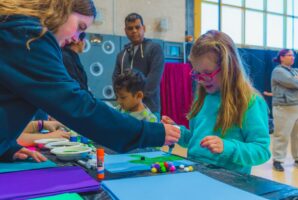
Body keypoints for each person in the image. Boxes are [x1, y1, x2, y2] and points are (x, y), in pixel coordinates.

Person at [0, 0, 180, 162]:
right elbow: (78, 106)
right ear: (62, 9)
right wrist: (147, 132)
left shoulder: (17, 31)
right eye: (80, 27)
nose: (77, 38)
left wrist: (6, 147)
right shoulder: (30, 37)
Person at [162, 30, 270, 174]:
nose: (201, 80)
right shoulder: (202, 98)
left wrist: (227, 147)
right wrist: (177, 132)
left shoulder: (250, 102)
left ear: (229, 68)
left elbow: (261, 151)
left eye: (207, 73)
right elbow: (195, 141)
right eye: (197, 73)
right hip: (197, 175)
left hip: (230, 183)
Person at [112, 13, 164, 118]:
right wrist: (123, 99)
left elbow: (153, 80)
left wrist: (133, 100)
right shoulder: (121, 55)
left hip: (149, 110)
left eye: (137, 27)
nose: (134, 31)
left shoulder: (155, 49)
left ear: (143, 28)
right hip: (125, 110)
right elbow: (115, 80)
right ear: (125, 31)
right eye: (130, 28)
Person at [271, 49, 298, 171]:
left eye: (293, 56)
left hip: (297, 106)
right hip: (283, 107)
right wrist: (296, 79)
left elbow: (295, 81)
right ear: (282, 57)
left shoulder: (295, 70)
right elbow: (293, 83)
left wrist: (296, 79)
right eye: (289, 55)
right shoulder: (278, 71)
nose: (292, 57)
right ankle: (278, 160)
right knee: (281, 135)